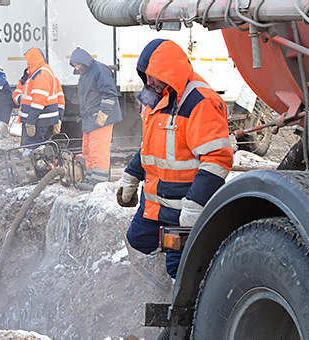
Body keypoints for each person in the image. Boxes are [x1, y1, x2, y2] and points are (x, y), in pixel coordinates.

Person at [117, 39, 233, 279]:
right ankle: (187, 253)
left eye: (153, 76)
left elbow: (217, 159)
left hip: (184, 204)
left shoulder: (201, 102)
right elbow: (149, 146)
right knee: (138, 239)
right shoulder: (155, 96)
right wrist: (130, 176)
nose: (148, 82)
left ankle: (198, 280)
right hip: (157, 204)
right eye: (145, 75)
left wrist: (195, 206)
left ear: (169, 73)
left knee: (179, 268)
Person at [69, 47, 123, 188]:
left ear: (83, 61)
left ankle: (99, 182)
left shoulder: (99, 70)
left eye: (77, 64)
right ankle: (91, 179)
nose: (77, 68)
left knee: (98, 150)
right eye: (75, 66)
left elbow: (110, 93)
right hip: (90, 119)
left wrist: (103, 113)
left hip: (101, 119)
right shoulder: (85, 74)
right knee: (88, 150)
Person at [12, 48, 64, 145]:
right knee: (41, 149)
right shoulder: (39, 74)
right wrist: (59, 118)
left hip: (39, 121)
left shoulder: (41, 75)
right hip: (43, 120)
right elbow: (60, 98)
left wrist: (31, 122)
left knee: (33, 150)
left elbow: (38, 102)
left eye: (28, 62)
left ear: (33, 60)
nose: (27, 65)